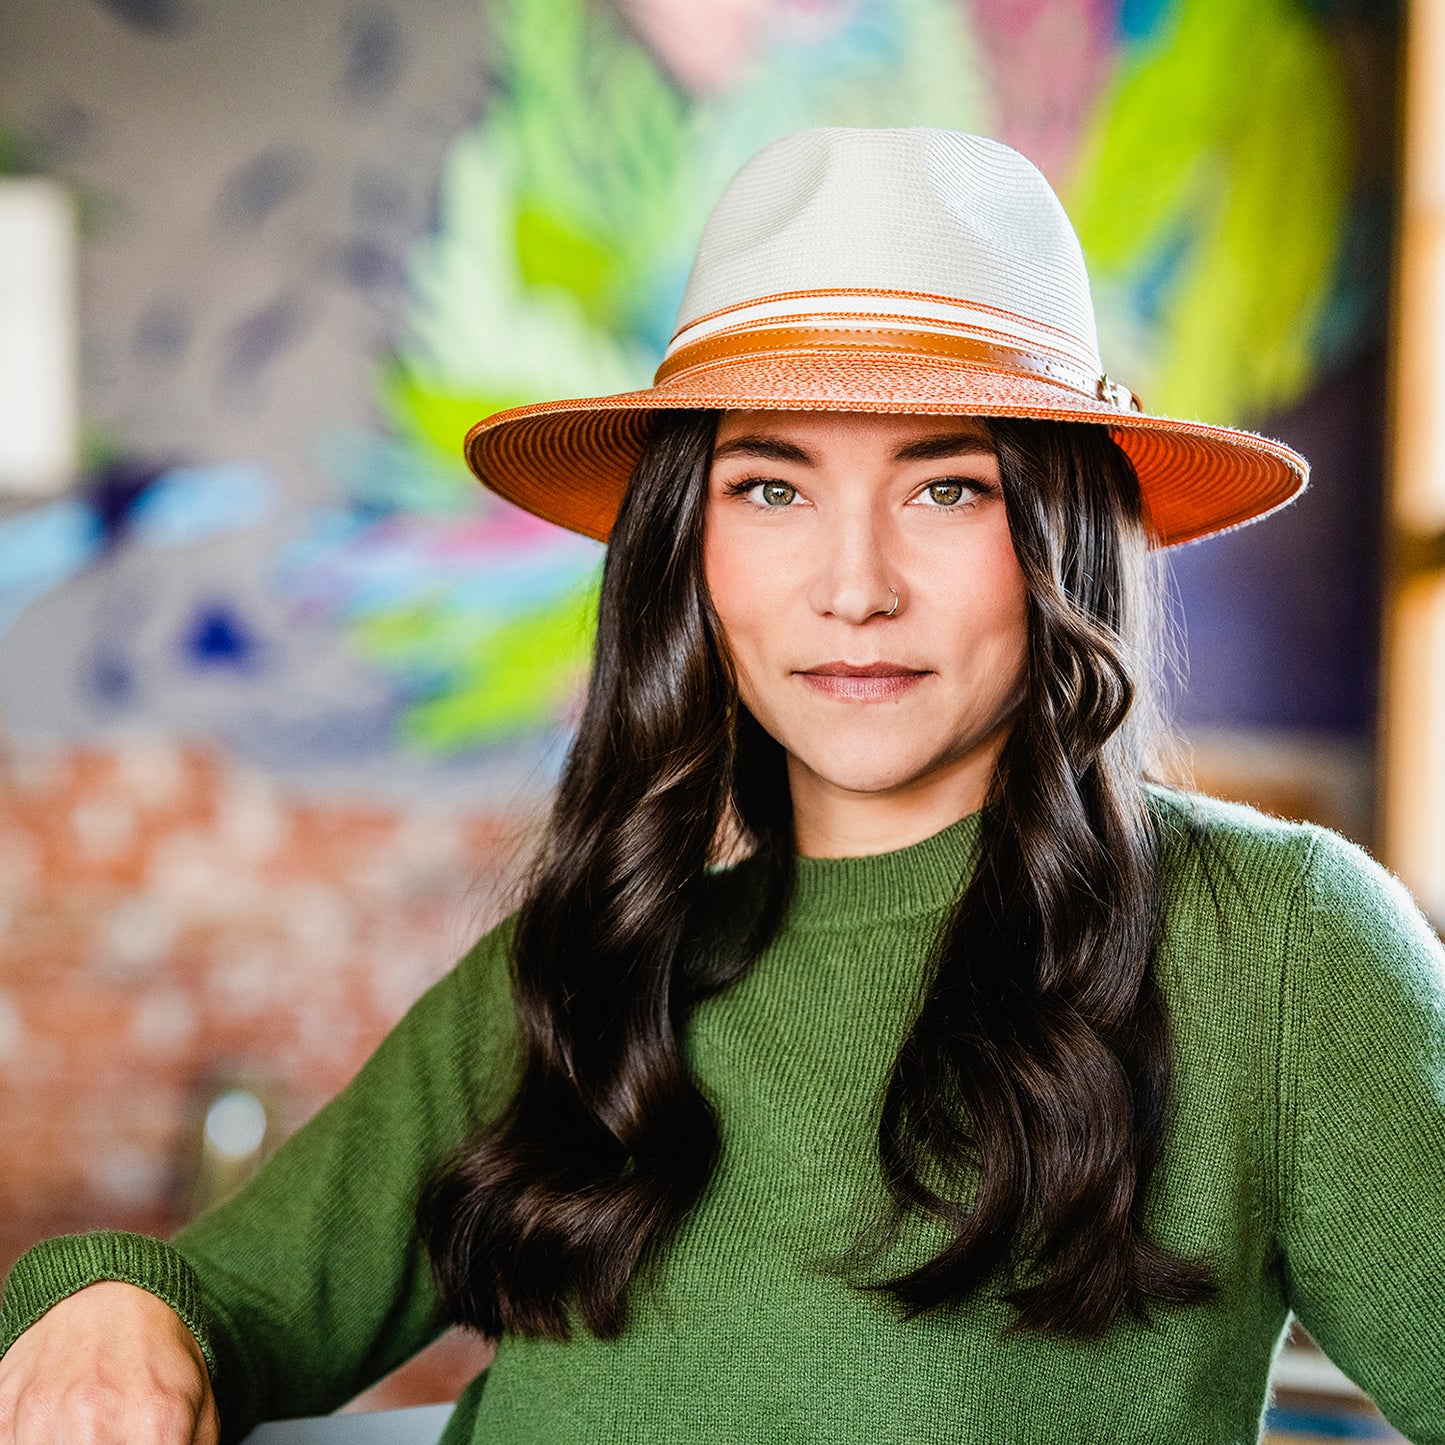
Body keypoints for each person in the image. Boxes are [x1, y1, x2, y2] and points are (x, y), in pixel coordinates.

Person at [1, 127, 1443, 1445]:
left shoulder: (1279, 947)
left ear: (1059, 534)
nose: (853, 588)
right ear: (689, 547)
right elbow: (220, 1299)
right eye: (771, 488)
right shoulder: (585, 963)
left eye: (948, 488)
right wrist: (118, 1309)